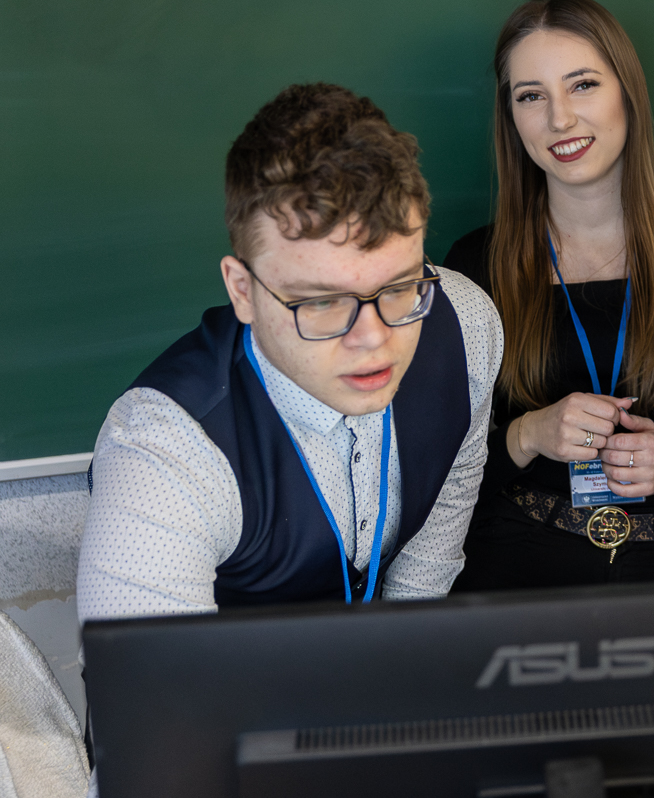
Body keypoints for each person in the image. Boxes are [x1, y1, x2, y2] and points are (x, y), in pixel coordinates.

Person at [77, 84, 503, 619]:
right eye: (322, 301)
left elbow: (439, 525)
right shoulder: (159, 452)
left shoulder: (466, 322)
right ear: (243, 291)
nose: (372, 338)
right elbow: (153, 694)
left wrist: (399, 665)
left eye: (397, 287)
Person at [445, 0, 654, 588]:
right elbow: (430, 475)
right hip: (518, 568)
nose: (559, 119)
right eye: (530, 95)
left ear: (627, 93)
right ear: (511, 116)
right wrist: (527, 434)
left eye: (582, 85)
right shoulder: (472, 266)